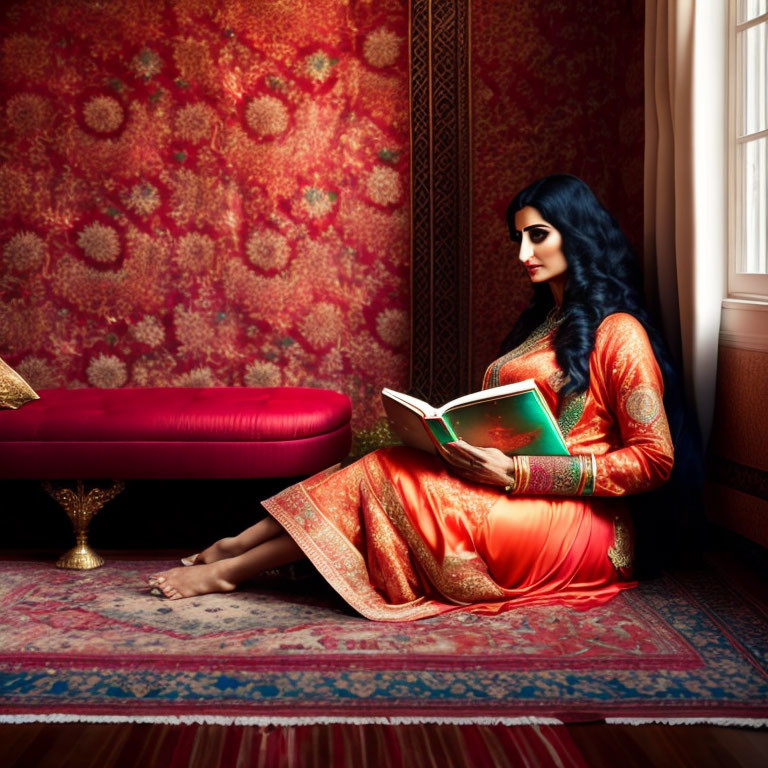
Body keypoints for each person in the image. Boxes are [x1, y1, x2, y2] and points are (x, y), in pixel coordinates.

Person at [148, 174, 676, 621]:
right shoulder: (544, 324)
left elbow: (654, 461)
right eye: (518, 238)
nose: (523, 254)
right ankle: (239, 548)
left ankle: (234, 564)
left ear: (577, 235)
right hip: (512, 494)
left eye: (538, 236)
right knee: (388, 459)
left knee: (387, 477)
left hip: (579, 521)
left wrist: (519, 474)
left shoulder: (619, 331)